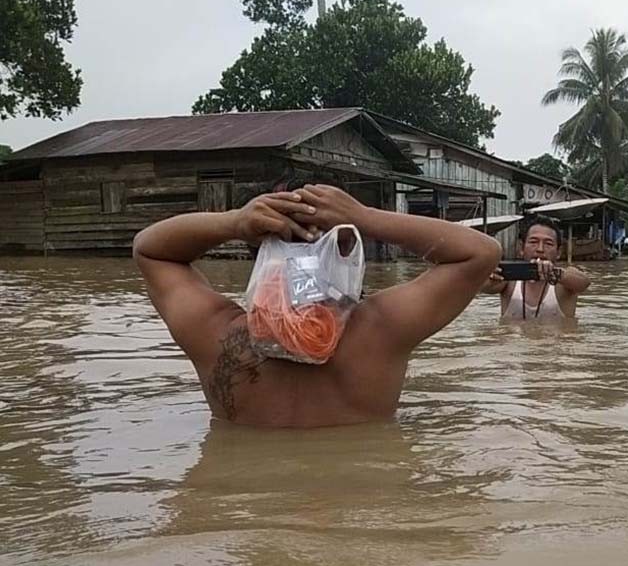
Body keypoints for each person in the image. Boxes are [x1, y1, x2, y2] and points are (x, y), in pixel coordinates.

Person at [133, 183, 500, 428]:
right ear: (345, 252)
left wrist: (233, 221)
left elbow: (150, 250)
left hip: (249, 528)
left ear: (258, 256)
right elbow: (480, 253)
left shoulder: (215, 334)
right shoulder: (380, 331)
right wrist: (366, 217)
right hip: (353, 525)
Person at [481, 217, 590, 323]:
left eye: (548, 244)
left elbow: (584, 283)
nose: (540, 249)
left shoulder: (565, 282)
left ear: (558, 252)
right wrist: (490, 276)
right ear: (521, 248)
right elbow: (484, 287)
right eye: (533, 242)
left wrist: (553, 274)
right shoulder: (508, 279)